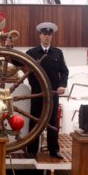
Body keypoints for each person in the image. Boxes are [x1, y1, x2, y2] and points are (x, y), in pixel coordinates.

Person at [26, 22, 68, 159]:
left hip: (52, 94)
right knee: (35, 121)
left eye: (49, 35)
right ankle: (32, 150)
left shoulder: (58, 53)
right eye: (44, 34)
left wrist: (62, 85)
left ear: (51, 37)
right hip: (37, 93)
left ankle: (54, 150)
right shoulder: (31, 53)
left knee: (52, 122)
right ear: (40, 36)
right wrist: (9, 47)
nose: (46, 37)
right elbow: (18, 62)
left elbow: (64, 72)